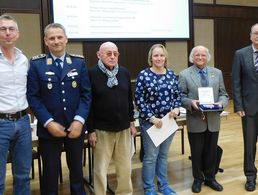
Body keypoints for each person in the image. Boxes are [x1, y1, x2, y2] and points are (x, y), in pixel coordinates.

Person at [27, 23, 91, 195]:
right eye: (52, 38)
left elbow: (86, 95)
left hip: (75, 128)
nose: (56, 41)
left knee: (77, 171)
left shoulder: (79, 63)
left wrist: (79, 120)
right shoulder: (36, 64)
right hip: (49, 129)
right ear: (46, 41)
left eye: (59, 37)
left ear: (66, 39)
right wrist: (48, 122)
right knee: (50, 173)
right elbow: (33, 97)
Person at [88, 41, 137, 195]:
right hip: (101, 130)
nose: (112, 56)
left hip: (123, 129)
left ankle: (124, 192)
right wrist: (90, 130)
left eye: (115, 53)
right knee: (100, 169)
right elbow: (87, 105)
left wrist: (132, 122)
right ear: (99, 54)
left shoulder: (124, 72)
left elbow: (129, 100)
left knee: (125, 166)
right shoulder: (91, 73)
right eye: (108, 53)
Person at [178, 45, 228, 193]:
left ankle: (210, 178)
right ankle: (198, 179)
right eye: (197, 55)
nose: (200, 58)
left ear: (208, 57)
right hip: (195, 119)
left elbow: (224, 94)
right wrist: (191, 103)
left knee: (211, 151)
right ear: (192, 57)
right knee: (197, 152)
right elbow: (180, 97)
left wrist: (221, 103)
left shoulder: (217, 73)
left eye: (203, 55)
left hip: (213, 120)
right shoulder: (184, 74)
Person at [134, 44, 181, 195]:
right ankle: (149, 188)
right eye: (156, 55)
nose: (159, 58)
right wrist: (151, 118)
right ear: (151, 58)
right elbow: (139, 99)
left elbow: (177, 95)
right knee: (151, 157)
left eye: (161, 55)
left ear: (165, 57)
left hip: (167, 122)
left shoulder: (172, 74)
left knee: (163, 155)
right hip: (151, 123)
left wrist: (176, 108)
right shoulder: (144, 75)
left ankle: (163, 186)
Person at [0, 14, 32, 195]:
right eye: (3, 29)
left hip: (22, 122)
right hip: (1, 123)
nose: (7, 33)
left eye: (11, 29)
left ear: (17, 34)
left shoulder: (23, 60)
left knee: (23, 176)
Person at [232, 23, 258, 192]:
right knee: (249, 146)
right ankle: (250, 177)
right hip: (249, 108)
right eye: (256, 33)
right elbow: (236, 81)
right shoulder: (241, 54)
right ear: (250, 36)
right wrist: (238, 105)